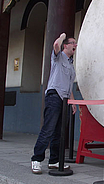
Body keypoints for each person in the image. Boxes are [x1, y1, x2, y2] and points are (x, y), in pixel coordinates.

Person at [31, 33, 77, 174]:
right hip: (54, 96)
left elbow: (68, 85)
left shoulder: (70, 64)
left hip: (65, 99)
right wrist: (62, 36)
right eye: (73, 43)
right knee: (48, 129)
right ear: (66, 45)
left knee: (59, 132)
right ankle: (37, 160)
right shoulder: (58, 57)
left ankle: (54, 161)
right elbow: (56, 45)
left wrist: (73, 102)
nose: (76, 45)